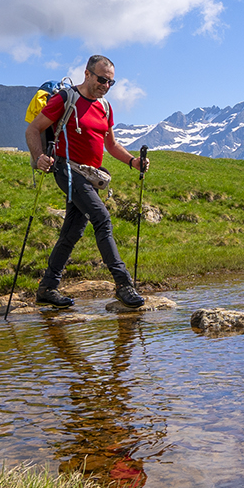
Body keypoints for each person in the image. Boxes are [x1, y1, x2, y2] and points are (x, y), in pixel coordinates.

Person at [25, 54, 147, 308]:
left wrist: (133, 162)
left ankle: (48, 287)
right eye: (102, 79)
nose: (106, 85)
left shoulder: (104, 107)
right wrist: (39, 158)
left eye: (111, 82)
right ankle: (123, 285)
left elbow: (110, 145)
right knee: (101, 217)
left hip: (91, 175)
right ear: (87, 74)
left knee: (73, 230)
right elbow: (33, 129)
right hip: (67, 170)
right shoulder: (66, 99)